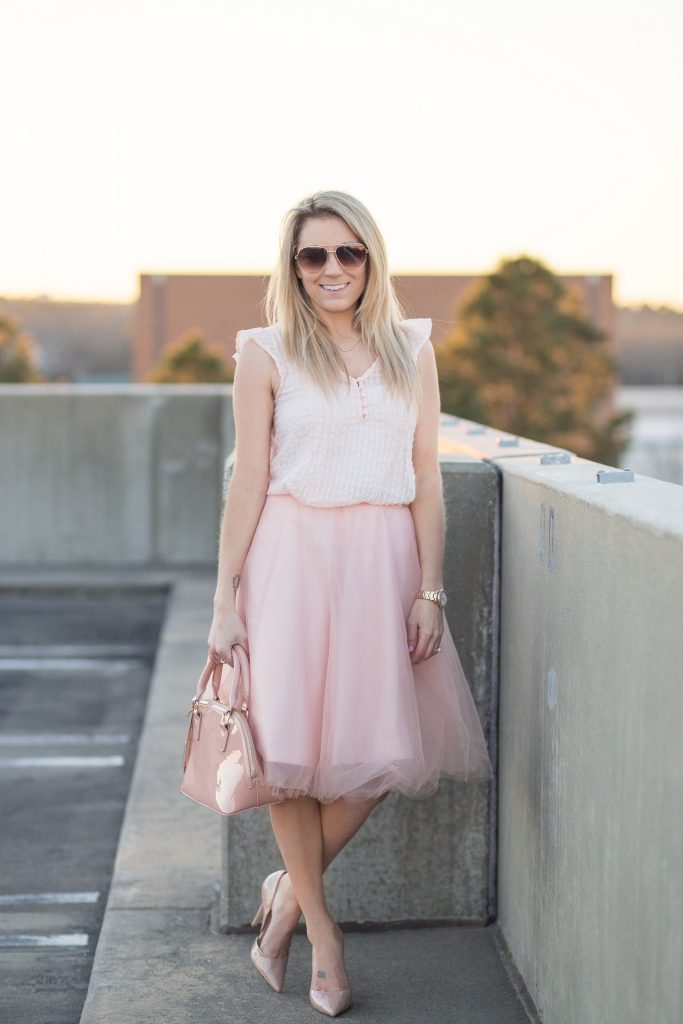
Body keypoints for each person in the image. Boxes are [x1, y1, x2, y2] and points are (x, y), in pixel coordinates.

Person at [208, 189, 493, 1017]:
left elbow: (428, 475)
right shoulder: (265, 353)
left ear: (371, 259)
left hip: (381, 563)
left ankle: (285, 896)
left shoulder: (411, 348)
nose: (332, 269)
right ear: (292, 268)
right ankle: (322, 938)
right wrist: (224, 601)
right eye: (313, 255)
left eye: (347, 253)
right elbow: (249, 481)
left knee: (374, 757)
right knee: (289, 756)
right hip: (289, 562)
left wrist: (429, 588)